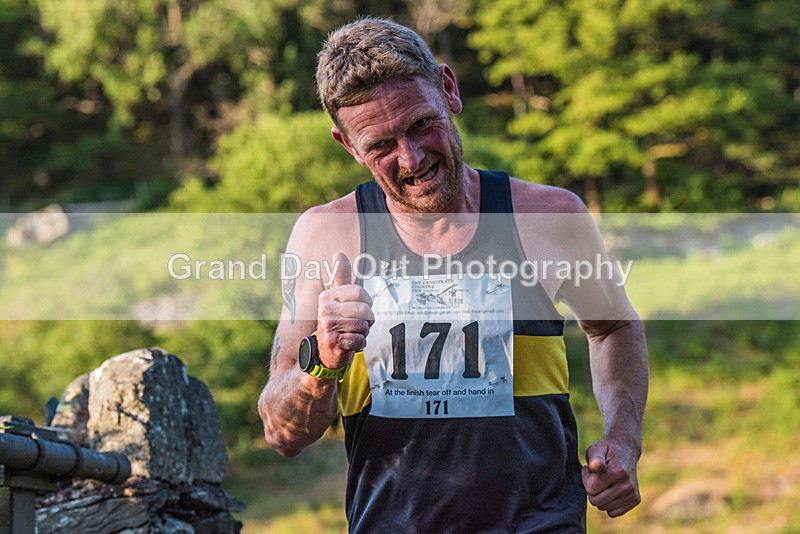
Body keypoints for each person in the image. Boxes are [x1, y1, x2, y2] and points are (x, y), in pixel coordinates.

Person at [258, 16, 648, 533]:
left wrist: (623, 440)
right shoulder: (325, 237)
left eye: (421, 124)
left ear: (448, 89)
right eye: (381, 145)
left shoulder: (550, 217)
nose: (412, 158)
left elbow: (614, 326)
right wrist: (324, 363)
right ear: (347, 145)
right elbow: (283, 433)